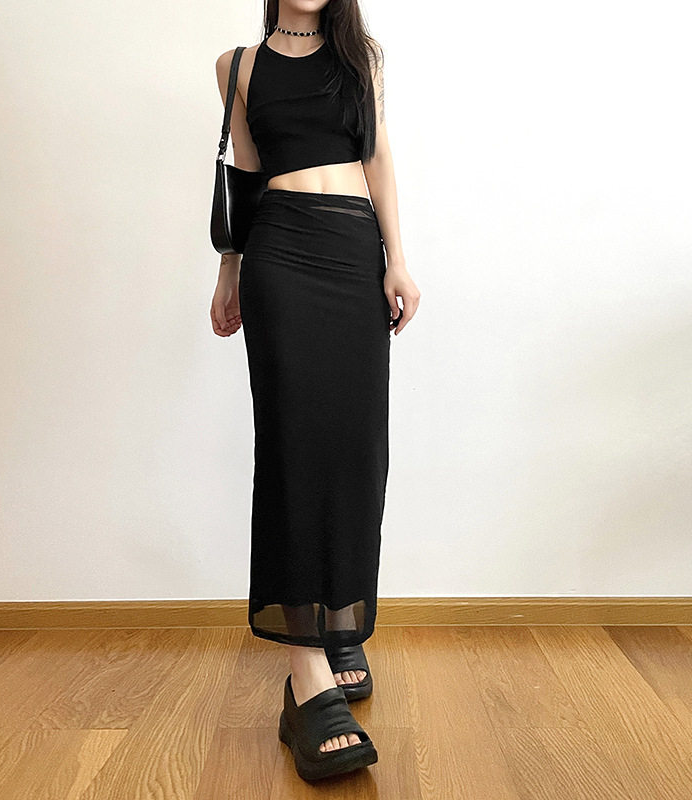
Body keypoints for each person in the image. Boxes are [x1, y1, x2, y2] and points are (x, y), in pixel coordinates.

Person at [211, 0, 420, 781]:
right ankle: (306, 677)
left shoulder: (362, 55)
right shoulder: (238, 66)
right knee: (295, 451)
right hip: (281, 256)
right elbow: (244, 172)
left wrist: (397, 260)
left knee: (356, 451)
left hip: (352, 252)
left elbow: (379, 156)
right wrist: (228, 271)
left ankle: (340, 626)